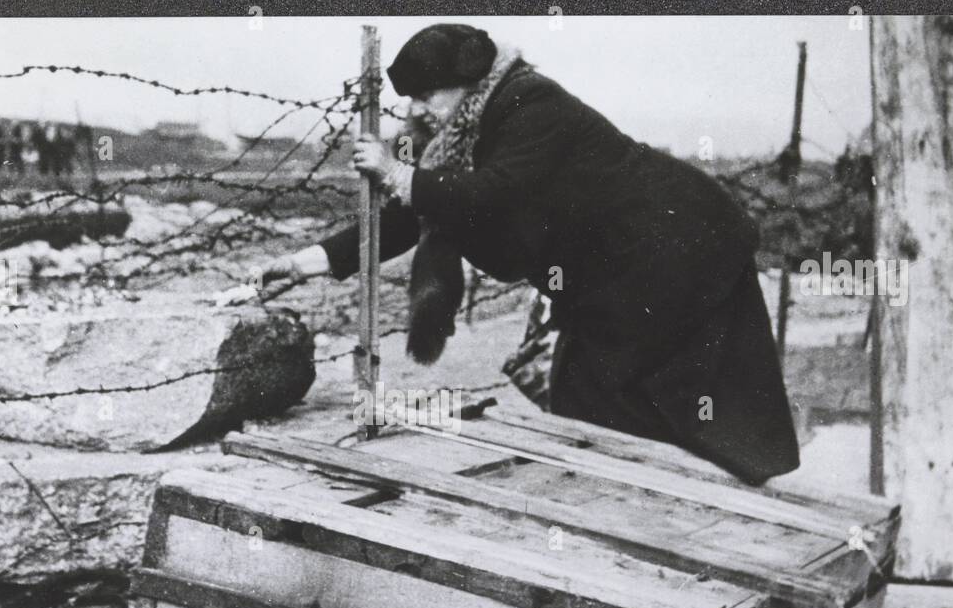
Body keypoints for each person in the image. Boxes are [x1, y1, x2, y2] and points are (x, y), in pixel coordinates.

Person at [262, 24, 798, 484]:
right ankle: (651, 497)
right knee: (600, 392)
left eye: (428, 94)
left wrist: (399, 173)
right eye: (413, 98)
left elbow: (490, 195)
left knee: (655, 388)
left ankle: (683, 500)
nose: (418, 109)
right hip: (629, 263)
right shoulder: (459, 131)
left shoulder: (530, 104)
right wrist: (306, 261)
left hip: (677, 247)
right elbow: (415, 212)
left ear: (468, 82)